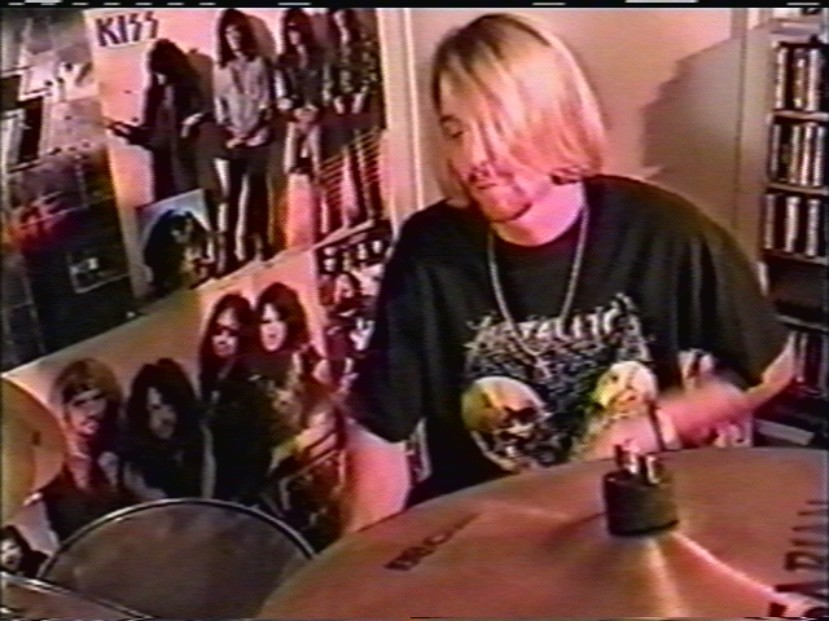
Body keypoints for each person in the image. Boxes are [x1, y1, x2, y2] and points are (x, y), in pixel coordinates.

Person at [340, 13, 795, 534]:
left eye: (496, 127)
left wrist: (657, 424)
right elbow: (380, 427)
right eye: (456, 131)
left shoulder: (663, 232)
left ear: (554, 117)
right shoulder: (430, 249)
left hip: (626, 524)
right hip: (488, 536)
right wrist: (354, 565)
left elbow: (769, 366)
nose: (475, 158)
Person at [40, 359, 136, 541]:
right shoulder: (54, 465)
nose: (92, 410)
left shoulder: (123, 447)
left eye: (98, 398)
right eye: (80, 403)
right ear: (64, 409)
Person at [214, 9, 278, 269]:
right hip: (233, 140)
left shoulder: (260, 64)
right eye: (229, 33)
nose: (235, 38)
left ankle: (259, 240)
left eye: (238, 32)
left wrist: (249, 132)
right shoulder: (221, 69)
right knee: (232, 194)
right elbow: (220, 108)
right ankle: (227, 251)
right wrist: (231, 134)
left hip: (258, 136)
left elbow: (267, 104)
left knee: (257, 190)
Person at [105, 39, 206, 203]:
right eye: (156, 72)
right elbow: (150, 137)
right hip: (163, 163)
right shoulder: (154, 95)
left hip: (181, 163)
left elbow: (200, 114)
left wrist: (190, 124)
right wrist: (122, 130)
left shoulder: (186, 91)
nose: (159, 77)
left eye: (163, 72)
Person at [198, 293, 273, 503]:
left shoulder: (249, 384)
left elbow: (258, 453)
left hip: (244, 496)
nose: (222, 340)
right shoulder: (212, 376)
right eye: (217, 331)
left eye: (231, 333)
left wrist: (239, 501)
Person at [245, 282, 330, 449]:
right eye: (266, 322)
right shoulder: (250, 370)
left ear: (290, 324)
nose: (272, 330)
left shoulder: (309, 364)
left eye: (279, 321)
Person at [121, 359, 214, 499]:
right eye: (155, 408)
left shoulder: (201, 440)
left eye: (170, 407)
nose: (165, 417)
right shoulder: (133, 465)